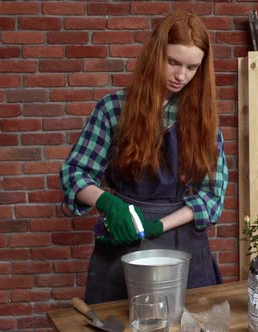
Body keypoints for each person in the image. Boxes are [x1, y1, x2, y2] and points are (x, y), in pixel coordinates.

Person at [59, 10, 228, 304]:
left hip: (185, 244)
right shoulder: (113, 109)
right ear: (154, 55)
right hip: (124, 238)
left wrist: (159, 225)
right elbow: (74, 173)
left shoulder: (203, 120)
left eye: (192, 67)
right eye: (173, 62)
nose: (181, 76)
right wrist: (109, 203)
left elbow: (212, 195)